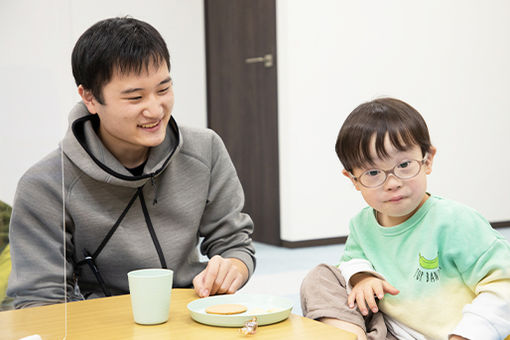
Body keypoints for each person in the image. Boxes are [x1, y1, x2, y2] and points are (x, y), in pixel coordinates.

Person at [7, 17, 255, 308]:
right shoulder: (45, 185)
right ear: (89, 97)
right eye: (135, 97)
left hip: (187, 317)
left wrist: (233, 267)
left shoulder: (205, 150)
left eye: (163, 90)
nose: (155, 110)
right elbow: (41, 301)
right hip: (100, 326)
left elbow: (234, 243)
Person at [300, 98, 510, 339]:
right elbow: (353, 259)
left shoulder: (456, 221)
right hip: (389, 329)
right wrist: (363, 277)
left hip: (451, 334)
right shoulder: (362, 223)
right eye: (373, 172)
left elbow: (504, 283)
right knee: (321, 277)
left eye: (404, 165)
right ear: (353, 180)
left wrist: (466, 335)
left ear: (427, 160)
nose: (393, 183)